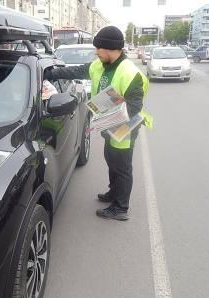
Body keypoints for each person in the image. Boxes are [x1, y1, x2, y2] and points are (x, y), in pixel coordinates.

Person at [44, 25, 152, 221]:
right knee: (110, 159)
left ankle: (120, 208)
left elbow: (133, 108)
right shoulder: (99, 66)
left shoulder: (130, 73)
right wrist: (50, 74)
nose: (96, 52)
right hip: (108, 124)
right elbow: (76, 71)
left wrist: (105, 116)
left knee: (122, 167)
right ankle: (114, 193)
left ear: (111, 48)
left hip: (123, 129)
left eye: (99, 48)